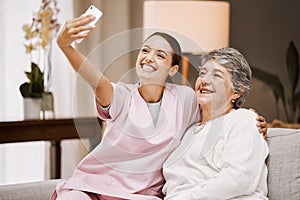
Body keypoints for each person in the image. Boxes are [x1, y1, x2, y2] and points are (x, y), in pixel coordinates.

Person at [52, 14, 267, 200]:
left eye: (160, 55)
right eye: (145, 50)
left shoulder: (187, 100)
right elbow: (99, 84)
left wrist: (250, 116)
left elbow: (221, 110)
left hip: (142, 195)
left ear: (173, 69)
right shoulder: (126, 96)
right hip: (94, 185)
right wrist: (66, 47)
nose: (149, 58)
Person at [162, 47, 269, 200]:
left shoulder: (243, 120)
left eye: (216, 75)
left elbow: (240, 178)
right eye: (202, 73)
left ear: (236, 92)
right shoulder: (189, 129)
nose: (204, 80)